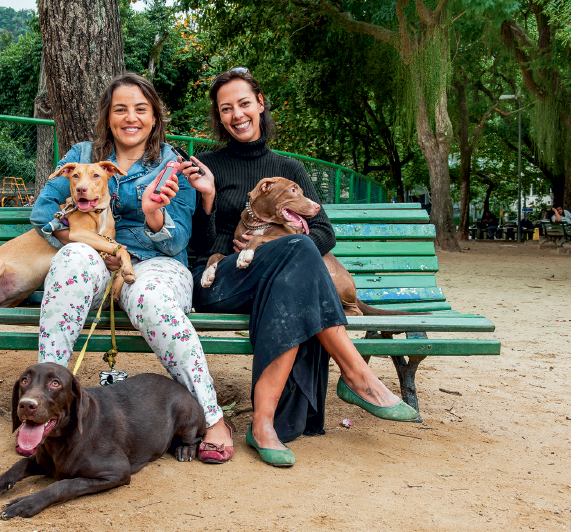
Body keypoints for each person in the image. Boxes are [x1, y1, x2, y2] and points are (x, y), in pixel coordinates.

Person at [179, 67, 418, 467]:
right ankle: (357, 376)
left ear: (260, 104)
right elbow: (196, 247)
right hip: (220, 279)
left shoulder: (289, 169)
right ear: (219, 117)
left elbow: (324, 233)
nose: (237, 114)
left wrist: (272, 240)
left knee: (298, 251)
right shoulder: (205, 166)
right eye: (226, 109)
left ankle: (263, 424)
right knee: (297, 251)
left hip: (281, 284)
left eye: (243, 103)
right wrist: (209, 199)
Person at [29, 72, 234, 463]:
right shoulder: (81, 157)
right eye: (120, 109)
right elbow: (44, 215)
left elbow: (177, 241)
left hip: (155, 265)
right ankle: (45, 408)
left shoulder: (172, 165)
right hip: (93, 265)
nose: (130, 117)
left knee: (153, 299)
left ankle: (211, 417)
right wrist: (93, 244)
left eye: (141, 109)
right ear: (108, 116)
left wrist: (153, 215)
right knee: (72, 259)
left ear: (154, 117)